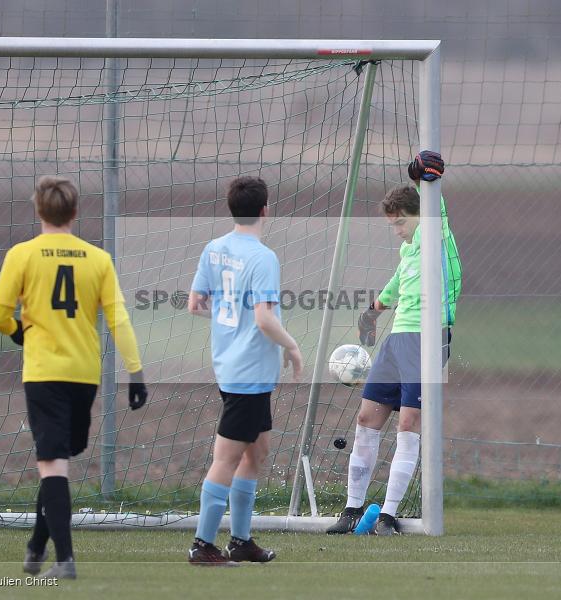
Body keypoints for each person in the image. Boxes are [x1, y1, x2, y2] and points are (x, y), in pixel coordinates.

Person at [0, 176, 148, 579]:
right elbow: (119, 319)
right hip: (83, 375)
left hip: (44, 374)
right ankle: (40, 549)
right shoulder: (98, 259)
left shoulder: (22, 255)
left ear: (38, 209)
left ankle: (63, 561)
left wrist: (19, 332)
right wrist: (135, 372)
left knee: (53, 463)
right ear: (75, 212)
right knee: (57, 458)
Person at [326, 151, 462, 535]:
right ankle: (352, 509)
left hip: (428, 339)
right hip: (397, 338)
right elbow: (398, 283)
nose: (397, 230)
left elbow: (435, 206)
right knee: (366, 419)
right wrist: (372, 312)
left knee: (407, 423)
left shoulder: (437, 234)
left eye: (401, 222)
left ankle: (387, 516)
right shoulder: (408, 250)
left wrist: (422, 178)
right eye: (393, 224)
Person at [186, 176, 303, 565]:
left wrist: (229, 317)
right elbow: (265, 319)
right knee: (227, 459)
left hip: (232, 366)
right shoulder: (263, 257)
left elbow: (195, 304)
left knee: (257, 451)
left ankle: (240, 541)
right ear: (265, 209)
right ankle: (203, 544)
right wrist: (292, 346)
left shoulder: (214, 249)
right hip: (249, 371)